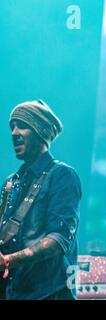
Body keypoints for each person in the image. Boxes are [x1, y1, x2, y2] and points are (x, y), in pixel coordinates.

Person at [0, 100, 81, 300]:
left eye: (23, 125)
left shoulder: (62, 175)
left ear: (41, 131)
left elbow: (59, 239)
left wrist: (8, 260)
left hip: (49, 293)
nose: (14, 133)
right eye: (12, 126)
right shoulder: (11, 182)